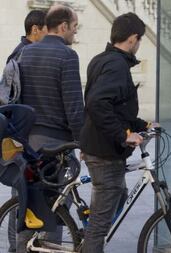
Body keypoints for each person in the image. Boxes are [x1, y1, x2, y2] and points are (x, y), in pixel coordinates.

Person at [80, 12, 151, 252]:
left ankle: (88, 232)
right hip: (105, 152)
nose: (138, 45)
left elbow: (115, 106)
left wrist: (142, 125)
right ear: (132, 39)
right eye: (139, 40)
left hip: (100, 147)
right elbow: (97, 104)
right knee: (99, 226)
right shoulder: (117, 65)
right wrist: (124, 135)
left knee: (118, 195)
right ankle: (90, 241)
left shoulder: (101, 59)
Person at [16, 5, 84, 253]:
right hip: (57, 144)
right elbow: (74, 106)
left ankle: (24, 248)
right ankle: (51, 249)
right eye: (75, 28)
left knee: (32, 202)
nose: (75, 34)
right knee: (57, 203)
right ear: (63, 26)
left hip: (30, 141)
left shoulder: (27, 53)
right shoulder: (67, 56)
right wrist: (82, 141)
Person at [5, 9, 48, 253]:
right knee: (20, 195)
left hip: (23, 135)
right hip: (23, 137)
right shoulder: (23, 55)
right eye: (46, 30)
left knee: (23, 193)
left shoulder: (20, 53)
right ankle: (16, 248)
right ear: (35, 30)